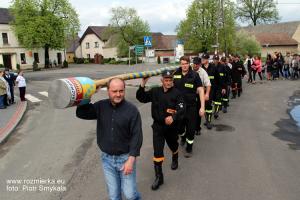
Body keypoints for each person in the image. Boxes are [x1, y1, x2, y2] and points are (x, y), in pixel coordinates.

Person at [76, 78, 143, 200]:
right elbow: (81, 113)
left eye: (121, 91)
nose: (118, 94)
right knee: (113, 195)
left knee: (130, 195)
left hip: (125, 158)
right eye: (114, 91)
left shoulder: (132, 110)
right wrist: (89, 94)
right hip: (107, 160)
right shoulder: (101, 106)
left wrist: (131, 159)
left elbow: (137, 135)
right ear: (108, 91)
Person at [136, 70, 185, 190]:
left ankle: (175, 155)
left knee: (173, 145)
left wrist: (173, 117)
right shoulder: (155, 91)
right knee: (157, 151)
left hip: (171, 127)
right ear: (162, 80)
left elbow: (182, 108)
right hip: (158, 126)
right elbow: (141, 97)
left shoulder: (177, 93)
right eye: (166, 80)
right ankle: (159, 177)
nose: (168, 82)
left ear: (173, 81)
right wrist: (143, 83)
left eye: (170, 80)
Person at [173, 56, 205, 157]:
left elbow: (200, 90)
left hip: (191, 107)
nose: (184, 66)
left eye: (186, 63)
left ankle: (189, 147)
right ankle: (183, 137)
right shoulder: (176, 74)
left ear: (189, 64)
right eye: (182, 64)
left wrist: (202, 107)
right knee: (180, 129)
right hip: (178, 107)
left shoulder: (194, 75)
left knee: (191, 129)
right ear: (180, 64)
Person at [201, 53, 221, 129]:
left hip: (212, 90)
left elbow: (218, 80)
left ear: (207, 60)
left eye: (204, 59)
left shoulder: (213, 68)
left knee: (208, 106)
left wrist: (220, 89)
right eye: (202, 58)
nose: (202, 60)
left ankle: (208, 121)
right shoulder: (200, 68)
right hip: (202, 91)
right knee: (205, 106)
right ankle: (206, 120)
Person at [192, 57, 211, 135]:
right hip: (189, 94)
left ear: (200, 64)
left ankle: (197, 128)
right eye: (194, 63)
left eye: (197, 64)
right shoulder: (189, 69)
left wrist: (207, 94)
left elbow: (208, 84)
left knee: (198, 112)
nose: (195, 65)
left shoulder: (203, 72)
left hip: (198, 95)